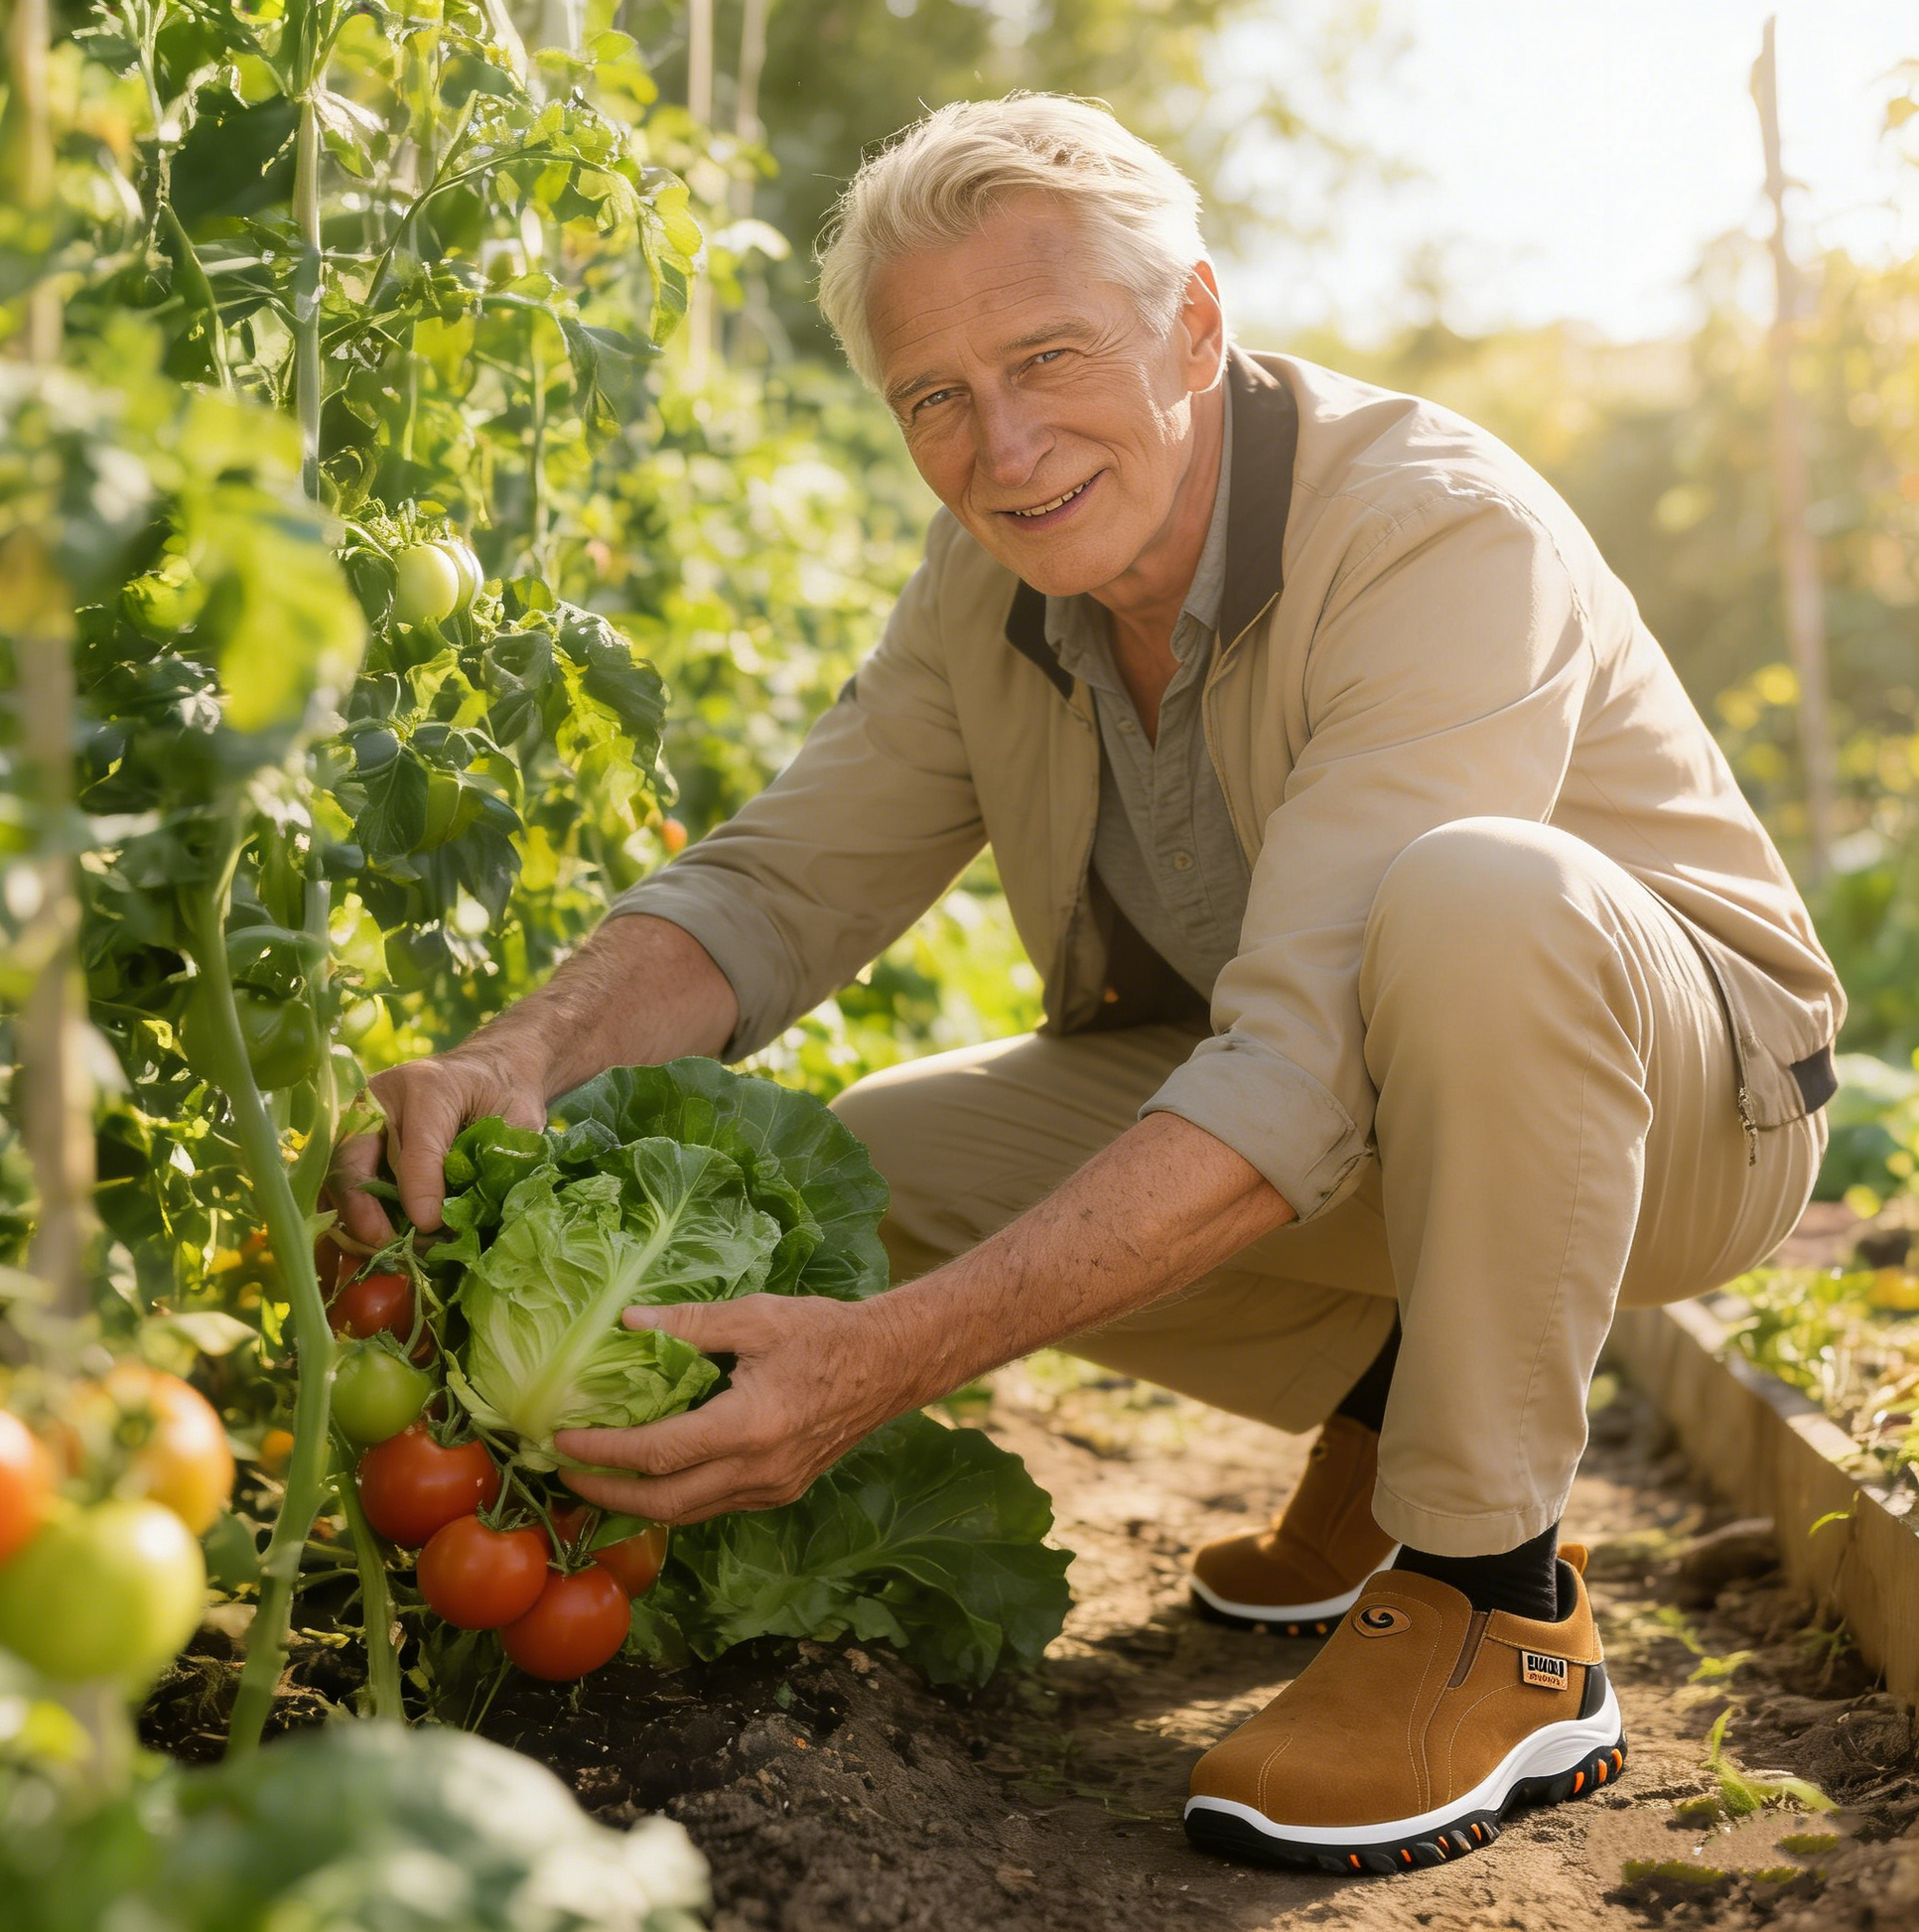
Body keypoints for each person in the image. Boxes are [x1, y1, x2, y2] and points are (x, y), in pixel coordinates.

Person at [332, 94, 1842, 1872]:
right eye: (935, 397)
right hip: (1349, 1091)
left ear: (1196, 325)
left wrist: (883, 1367)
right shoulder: (993, 583)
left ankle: (1490, 1599)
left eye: (1049, 355)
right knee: (874, 1166)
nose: (1002, 442)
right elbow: (776, 885)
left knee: (1472, 899)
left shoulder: (1432, 534)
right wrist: (523, 1052)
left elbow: (1297, 1067)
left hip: (1681, 1117)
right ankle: (1392, 1409)